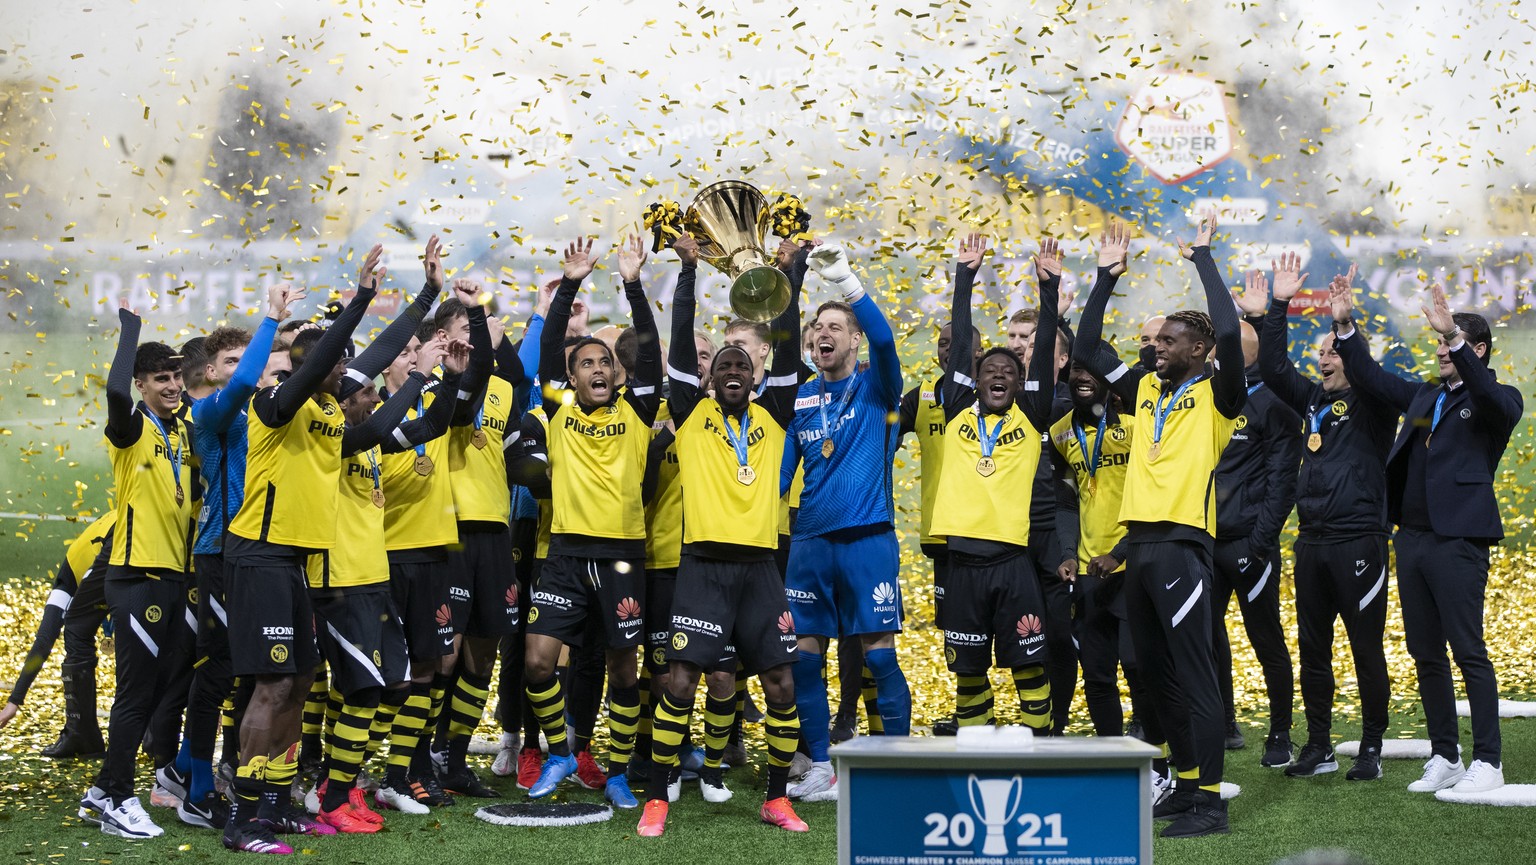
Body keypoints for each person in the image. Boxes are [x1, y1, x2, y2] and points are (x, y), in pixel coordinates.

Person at [1074, 215, 1244, 839]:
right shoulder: (1147, 389)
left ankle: (1210, 804)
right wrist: (1103, 278)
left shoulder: (1221, 397)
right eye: (1158, 342)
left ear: (1199, 351)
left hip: (1182, 549)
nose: (1158, 348)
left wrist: (1201, 256)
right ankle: (1184, 778)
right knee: (1153, 672)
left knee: (1192, 671)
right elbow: (1089, 347)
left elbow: (1227, 325)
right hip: (1139, 549)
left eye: (1170, 341)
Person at [637, 233, 808, 837]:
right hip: (702, 568)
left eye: (743, 364)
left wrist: (795, 270)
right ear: (709, 379)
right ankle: (657, 796)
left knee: (782, 683)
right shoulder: (691, 412)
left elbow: (786, 347)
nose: (733, 370)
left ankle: (777, 796)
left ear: (756, 375)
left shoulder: (775, 414)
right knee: (680, 680)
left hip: (762, 569)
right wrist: (686, 271)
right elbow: (680, 343)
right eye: (723, 365)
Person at [1328, 272, 1522, 796]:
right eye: (1437, 339)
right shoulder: (1423, 398)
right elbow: (1368, 375)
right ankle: (1446, 755)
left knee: (1468, 650)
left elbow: (1489, 395)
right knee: (1426, 653)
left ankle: (1489, 760)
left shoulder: (1499, 398)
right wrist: (1345, 326)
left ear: (1477, 348)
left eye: (1449, 339)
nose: (1439, 348)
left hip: (1459, 541)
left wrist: (1458, 346)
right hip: (1411, 539)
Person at [220, 259, 378, 854]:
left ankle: (274, 803)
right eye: (332, 363)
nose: (340, 370)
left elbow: (361, 360)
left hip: (293, 563)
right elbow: (319, 362)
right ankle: (242, 817)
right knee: (273, 684)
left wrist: (422, 299)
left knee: (301, 679)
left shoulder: (328, 414)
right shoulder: (271, 408)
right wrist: (360, 298)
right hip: (258, 556)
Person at [305, 330, 467, 833]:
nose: (375, 398)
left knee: (393, 685)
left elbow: (433, 424)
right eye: (367, 392)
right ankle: (331, 795)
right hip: (337, 581)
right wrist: (416, 374)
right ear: (343, 399)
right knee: (361, 691)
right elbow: (388, 422)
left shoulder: (371, 444)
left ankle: (341, 786)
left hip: (373, 580)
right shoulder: (329, 441)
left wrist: (452, 377)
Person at [521, 236, 660, 806]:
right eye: (587, 364)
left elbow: (649, 351)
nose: (598, 368)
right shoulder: (555, 407)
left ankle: (620, 771)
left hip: (624, 554)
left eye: (605, 362)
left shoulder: (638, 409)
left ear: (617, 375)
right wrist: (571, 283)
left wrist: (632, 282)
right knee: (536, 662)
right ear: (571, 379)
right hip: (565, 555)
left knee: (625, 675)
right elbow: (552, 345)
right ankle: (560, 752)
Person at [159, 283, 303, 831]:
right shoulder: (212, 411)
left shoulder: (267, 409)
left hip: (264, 553)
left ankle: (224, 773)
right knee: (217, 671)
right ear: (213, 372)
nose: (243, 367)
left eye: (247, 358)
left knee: (254, 675)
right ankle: (195, 786)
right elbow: (247, 379)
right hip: (221, 552)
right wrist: (269, 321)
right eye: (230, 359)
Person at [1252, 255, 1398, 782]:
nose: (1324, 360)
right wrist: (1279, 305)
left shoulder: (1376, 402)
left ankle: (1372, 749)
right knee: (1313, 649)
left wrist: (1345, 326)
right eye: (1320, 353)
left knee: (1365, 649)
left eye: (1333, 353)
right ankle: (1318, 746)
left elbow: (1368, 370)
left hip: (1358, 541)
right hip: (1311, 543)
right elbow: (1272, 368)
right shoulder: (1311, 398)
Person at [781, 240, 908, 803]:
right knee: (805, 659)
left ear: (852, 338)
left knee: (879, 654)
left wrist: (847, 282)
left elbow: (885, 340)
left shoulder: (877, 387)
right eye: (816, 330)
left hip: (867, 540)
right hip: (810, 544)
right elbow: (782, 478)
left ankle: (895, 766)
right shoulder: (803, 399)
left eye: (835, 326)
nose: (823, 335)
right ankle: (820, 768)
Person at [929, 233, 1061, 735]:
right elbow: (962, 342)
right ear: (976, 381)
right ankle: (976, 746)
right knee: (967, 671)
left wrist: (1048, 292)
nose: (999, 375)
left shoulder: (1031, 414)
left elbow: (1045, 347)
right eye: (990, 371)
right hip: (960, 563)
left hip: (1012, 563)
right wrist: (964, 277)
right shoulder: (958, 407)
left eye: (1009, 370)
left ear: (1019, 379)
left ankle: (1041, 746)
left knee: (1028, 666)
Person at [77, 303, 200, 840]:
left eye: (175, 377)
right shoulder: (131, 429)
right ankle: (120, 801)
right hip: (135, 573)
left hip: (172, 574)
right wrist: (132, 332)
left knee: (153, 691)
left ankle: (102, 791)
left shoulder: (180, 431)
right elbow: (114, 394)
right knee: (135, 692)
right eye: (160, 379)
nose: (172, 386)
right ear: (142, 384)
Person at [1209, 316, 1301, 764]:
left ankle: (1280, 733)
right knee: (1203, 637)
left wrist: (1259, 544)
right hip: (1204, 542)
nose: (1210, 354)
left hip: (1249, 545)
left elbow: (1284, 482)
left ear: (1240, 354)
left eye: (1218, 348)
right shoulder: (1204, 396)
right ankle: (1221, 723)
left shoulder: (1273, 404)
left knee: (1266, 640)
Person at [1050, 352, 1149, 741]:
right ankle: (1112, 752)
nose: (1083, 376)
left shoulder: (1137, 427)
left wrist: (1120, 553)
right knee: (1097, 672)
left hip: (1135, 565)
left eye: (1093, 369)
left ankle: (1156, 753)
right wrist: (1068, 554)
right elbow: (1066, 500)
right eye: (1076, 368)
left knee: (1138, 666)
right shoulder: (1060, 433)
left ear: (1110, 379)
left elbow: (1153, 501)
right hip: (1092, 572)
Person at [897, 320, 981, 736]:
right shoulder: (922, 396)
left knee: (992, 630)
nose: (951, 350)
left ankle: (1008, 719)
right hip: (940, 536)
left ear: (978, 354)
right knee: (957, 632)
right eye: (944, 344)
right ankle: (969, 714)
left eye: (960, 344)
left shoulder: (994, 395)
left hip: (988, 535)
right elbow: (889, 429)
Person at [0, 513, 115, 740]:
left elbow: (44, 641)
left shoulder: (82, 567)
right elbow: (44, 639)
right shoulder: (69, 578)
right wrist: (15, 700)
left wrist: (13, 702)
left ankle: (86, 735)